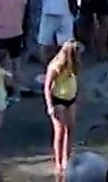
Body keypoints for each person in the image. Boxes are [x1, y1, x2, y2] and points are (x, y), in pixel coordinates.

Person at [45, 41, 81, 177]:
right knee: (59, 131)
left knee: (70, 129)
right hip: (58, 100)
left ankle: (67, 158)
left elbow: (76, 81)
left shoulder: (75, 65)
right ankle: (58, 162)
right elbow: (47, 87)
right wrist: (50, 106)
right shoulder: (55, 66)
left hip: (70, 99)